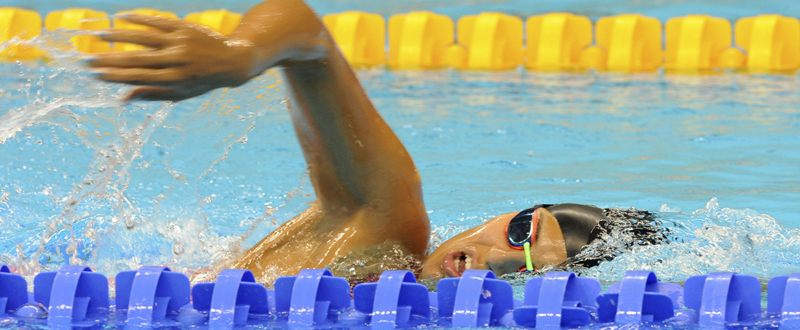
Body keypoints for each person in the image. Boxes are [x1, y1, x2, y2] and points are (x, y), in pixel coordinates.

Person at [88, 0, 664, 282]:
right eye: (520, 233)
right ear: (504, 214)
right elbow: (305, 31)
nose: (493, 260)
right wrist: (241, 56)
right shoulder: (386, 232)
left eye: (532, 272)